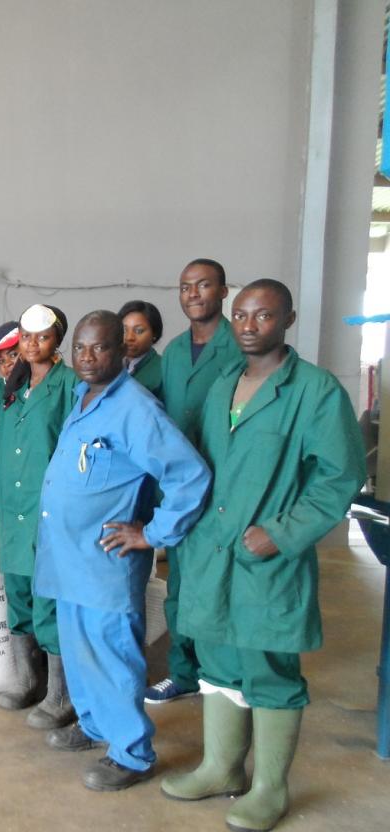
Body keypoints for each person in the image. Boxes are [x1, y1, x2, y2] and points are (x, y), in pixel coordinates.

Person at [161, 279, 363, 832]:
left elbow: (340, 476)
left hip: (267, 557)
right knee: (218, 660)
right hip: (211, 551)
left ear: (287, 320)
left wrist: (284, 531)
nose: (249, 326)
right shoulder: (226, 381)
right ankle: (221, 767)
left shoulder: (314, 391)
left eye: (264, 316)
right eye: (243, 316)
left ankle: (270, 787)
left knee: (268, 667)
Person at [34, 311, 211, 791]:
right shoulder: (82, 395)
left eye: (100, 348)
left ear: (121, 350)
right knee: (79, 648)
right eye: (80, 349)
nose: (88, 358)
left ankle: (132, 753)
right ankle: (94, 726)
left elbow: (189, 475)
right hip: (69, 556)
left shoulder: (135, 408)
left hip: (105, 560)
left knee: (111, 653)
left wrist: (153, 533)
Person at [149, 259, 243, 705]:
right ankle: (183, 672)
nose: (193, 294)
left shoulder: (240, 348)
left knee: (221, 583)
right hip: (183, 487)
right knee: (181, 583)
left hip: (227, 485)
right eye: (185, 286)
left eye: (203, 285)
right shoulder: (172, 353)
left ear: (223, 291)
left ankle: (220, 675)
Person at [0, 304, 78, 728]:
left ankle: (60, 696)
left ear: (57, 339)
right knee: (18, 595)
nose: (32, 344)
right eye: (25, 337)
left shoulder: (70, 385)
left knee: (48, 601)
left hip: (49, 511)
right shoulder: (13, 385)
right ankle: (29, 680)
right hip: (12, 509)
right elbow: (1, 447)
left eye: (41, 337)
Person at [118, 300, 164, 398]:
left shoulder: (164, 369)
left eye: (139, 331)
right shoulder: (111, 365)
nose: (129, 337)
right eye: (124, 330)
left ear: (154, 334)